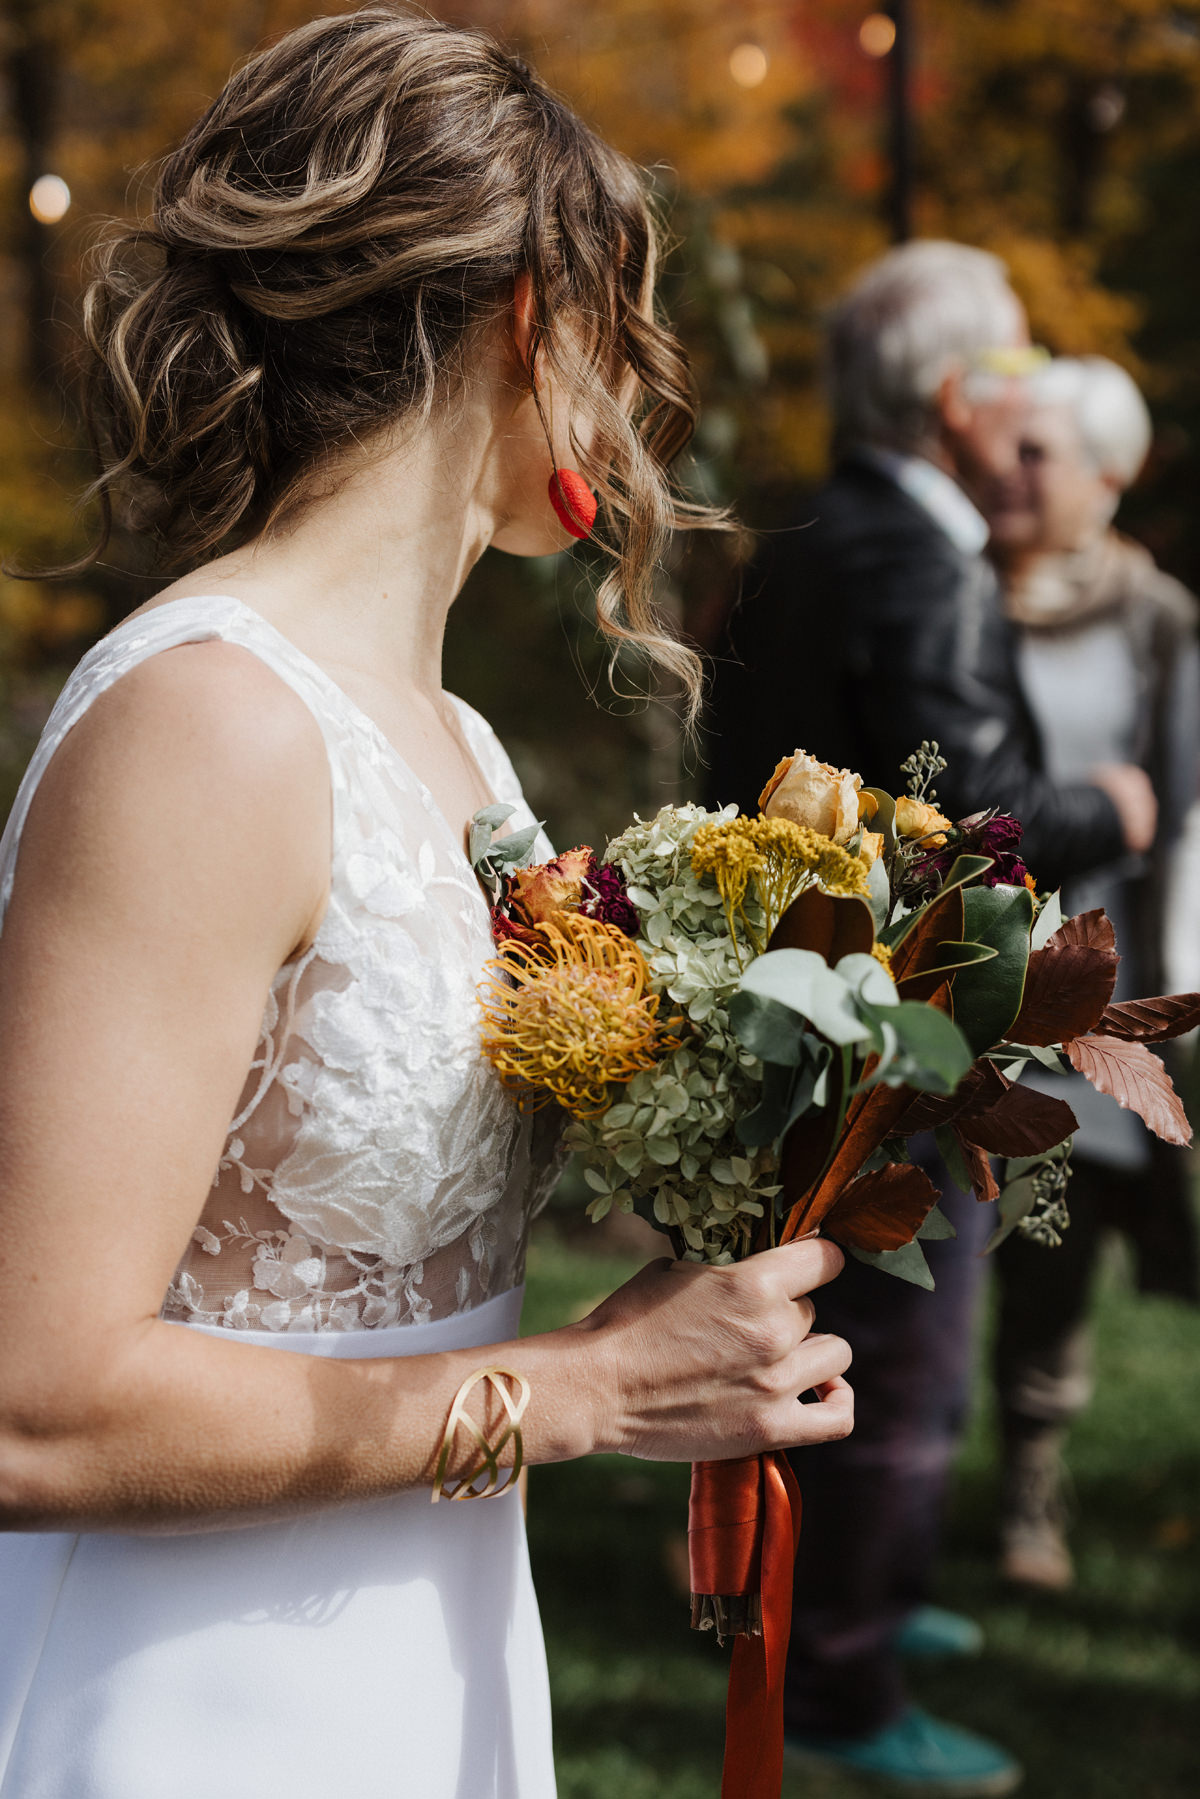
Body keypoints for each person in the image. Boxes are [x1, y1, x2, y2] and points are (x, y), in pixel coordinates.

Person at [0, 12, 856, 1797]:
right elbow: (34, 1400)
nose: (641, 395)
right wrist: (579, 1396)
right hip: (189, 1695)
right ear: (531, 314)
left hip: (431, 1643)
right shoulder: (208, 725)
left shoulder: (459, 742)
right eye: (623, 327)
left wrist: (682, 1285)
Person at [707, 242, 1156, 1795]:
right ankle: (844, 1670)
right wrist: (1110, 806)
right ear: (960, 393)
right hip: (900, 1018)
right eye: (1021, 363)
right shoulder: (920, 552)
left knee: (829, 1328)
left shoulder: (804, 525)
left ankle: (832, 1598)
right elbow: (968, 823)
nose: (1039, 395)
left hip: (798, 985)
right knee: (899, 1363)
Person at [983, 354, 1200, 1589]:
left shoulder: (1153, 616)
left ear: (1109, 475)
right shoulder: (957, 585)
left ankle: (1030, 1479)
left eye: (1038, 453)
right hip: (953, 965)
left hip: (1086, 984)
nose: (1008, 472)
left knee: (1051, 1240)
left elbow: (1179, 815)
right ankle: (880, 1482)